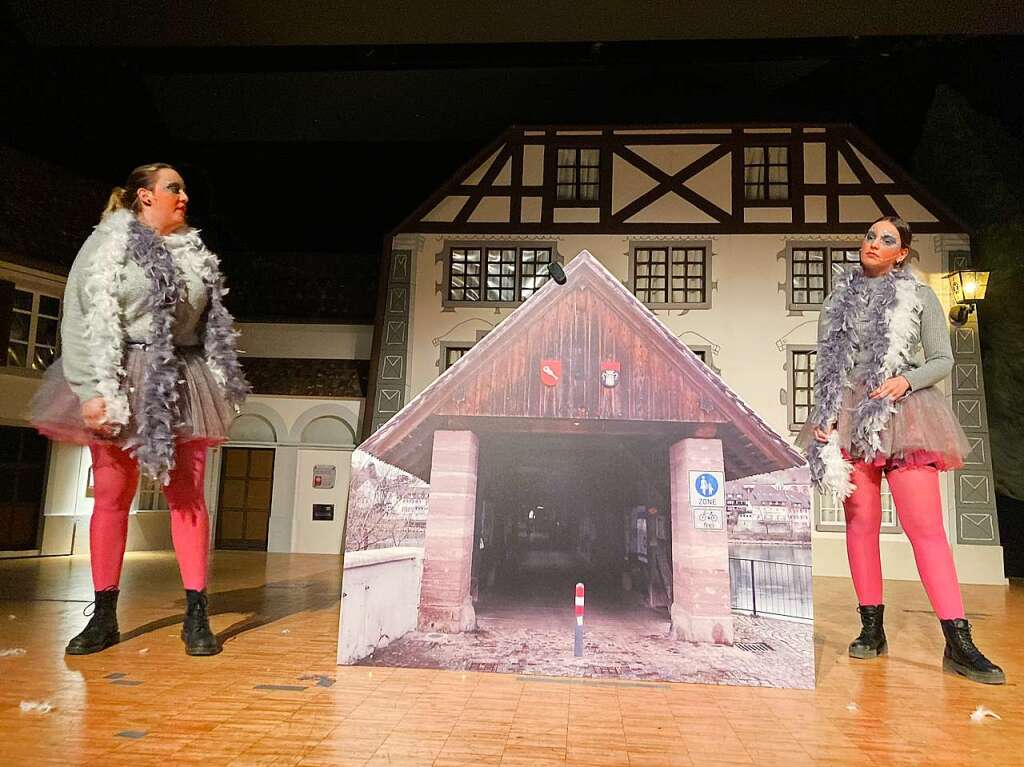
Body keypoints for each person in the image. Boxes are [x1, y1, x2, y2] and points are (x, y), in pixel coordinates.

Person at [31, 163, 249, 656]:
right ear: (145, 196)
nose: (184, 195)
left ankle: (197, 614)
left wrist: (216, 378)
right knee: (111, 492)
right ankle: (104, 615)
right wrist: (91, 389)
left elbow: (210, 327)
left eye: (185, 188)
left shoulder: (195, 254)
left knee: (187, 494)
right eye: (174, 187)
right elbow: (82, 318)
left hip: (180, 378)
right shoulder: (107, 245)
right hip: (120, 371)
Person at [797, 216, 1004, 685]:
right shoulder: (835, 301)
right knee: (861, 524)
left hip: (906, 412)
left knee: (925, 528)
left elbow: (943, 360)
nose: (873, 242)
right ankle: (871, 628)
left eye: (886, 239)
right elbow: (829, 365)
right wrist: (825, 416)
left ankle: (958, 640)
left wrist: (905, 380)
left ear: (902, 254)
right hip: (850, 413)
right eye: (870, 235)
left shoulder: (922, 297)